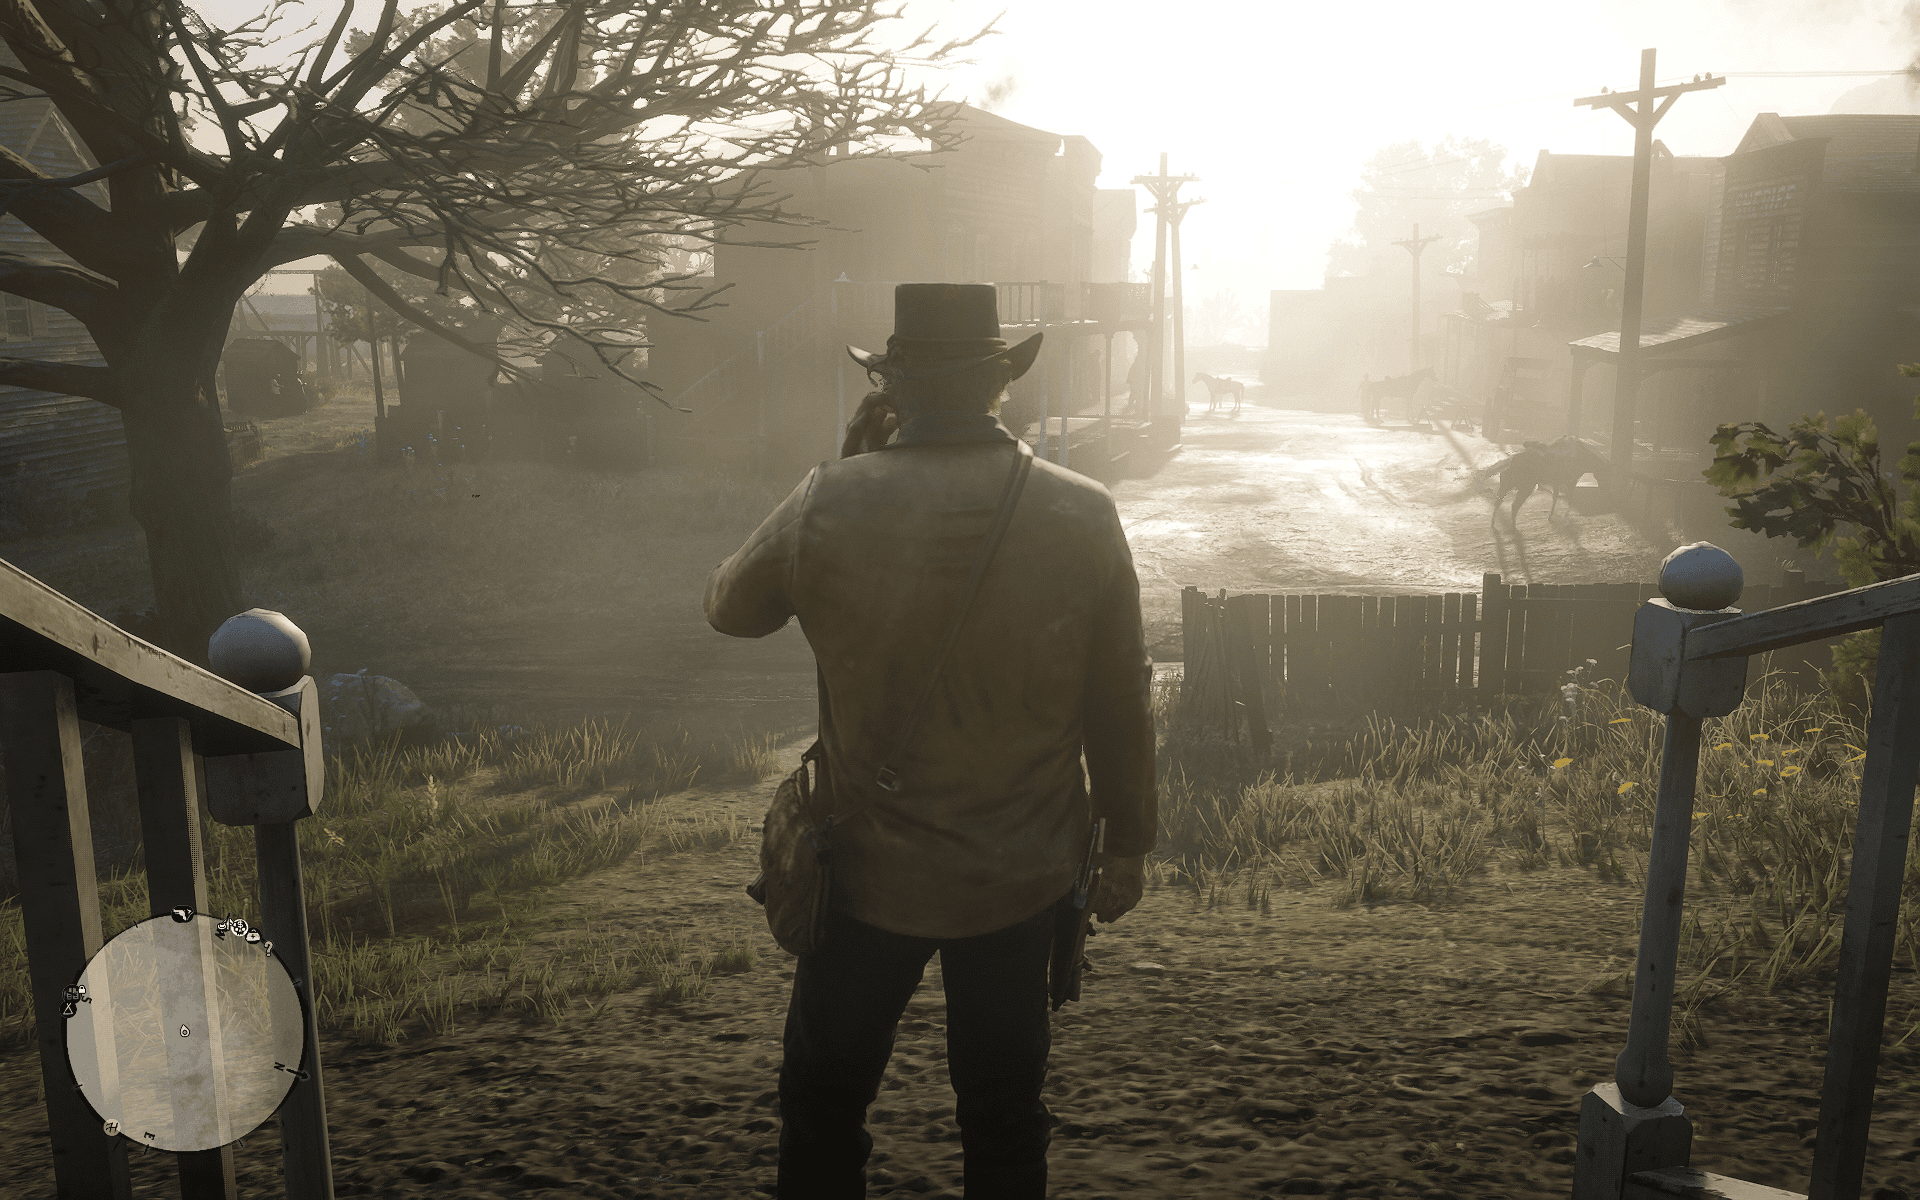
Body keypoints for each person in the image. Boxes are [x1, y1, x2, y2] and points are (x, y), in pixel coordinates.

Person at [704, 282, 1158, 1200]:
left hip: (864, 874)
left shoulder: (828, 499)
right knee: (1005, 1116)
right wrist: (1129, 844)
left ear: (892, 386)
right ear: (1001, 383)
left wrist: (845, 475)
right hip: (1021, 872)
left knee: (824, 1106)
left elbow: (730, 609)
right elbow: (1120, 695)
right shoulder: (1084, 510)